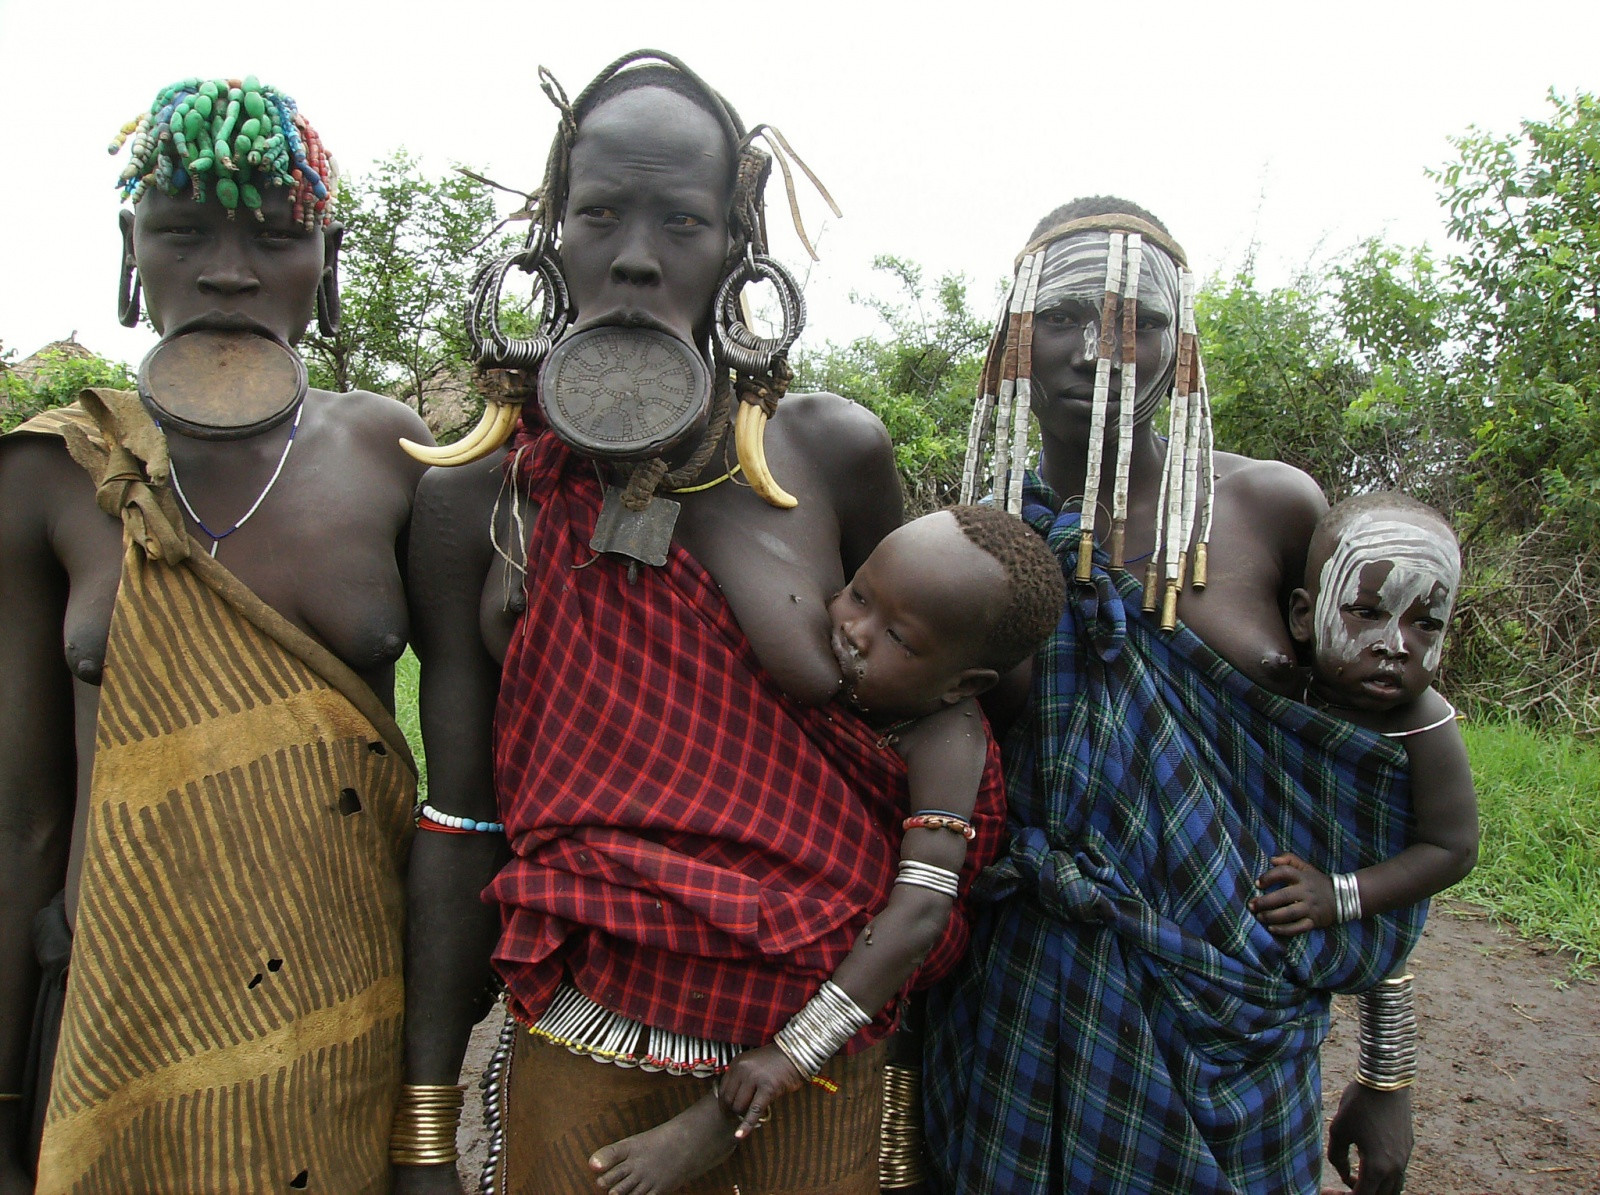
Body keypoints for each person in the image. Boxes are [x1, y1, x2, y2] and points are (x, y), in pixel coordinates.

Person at [396, 52, 1001, 1195]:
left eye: (681, 220)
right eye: (599, 214)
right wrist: (423, 1124)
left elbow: (937, 716)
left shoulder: (827, 454)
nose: (636, 255)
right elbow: (460, 814)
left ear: (736, 244)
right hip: (587, 1027)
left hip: (817, 1045)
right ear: (552, 235)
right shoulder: (478, 496)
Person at [924, 198, 1430, 1195]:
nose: (1097, 352)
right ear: (1013, 337)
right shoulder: (975, 546)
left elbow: (1366, 791)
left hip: (1238, 1023)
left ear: (1181, 343)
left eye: (1139, 321)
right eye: (1061, 316)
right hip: (1016, 1010)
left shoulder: (1271, 509)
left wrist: (1388, 1066)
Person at [0, 76, 432, 1192]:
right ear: (130, 250)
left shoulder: (394, 457)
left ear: (327, 261)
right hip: (113, 1007)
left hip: (338, 1010)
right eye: (183, 231)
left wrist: (430, 1105)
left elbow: (467, 798)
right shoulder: (55, 473)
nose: (229, 271)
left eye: (277, 236)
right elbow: (23, 818)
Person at [588, 505, 1064, 1195]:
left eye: (897, 636)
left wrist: (790, 1054)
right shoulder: (804, 648)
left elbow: (922, 913)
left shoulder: (947, 739)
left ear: (962, 686)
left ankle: (726, 1114)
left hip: (862, 952)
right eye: (859, 593)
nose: (853, 629)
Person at [1251, 492, 1478, 937]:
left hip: (1369, 914)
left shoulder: (1425, 722)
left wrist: (1341, 896)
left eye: (1426, 624)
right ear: (1303, 616)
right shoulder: (1280, 694)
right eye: (1366, 613)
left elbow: (1454, 849)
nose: (1395, 645)